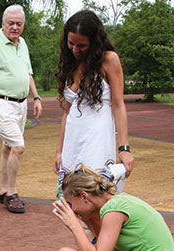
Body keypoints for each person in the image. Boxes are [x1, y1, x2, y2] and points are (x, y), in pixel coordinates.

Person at [55, 10, 133, 201]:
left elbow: (118, 105)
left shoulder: (108, 60)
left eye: (81, 45)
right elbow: (67, 112)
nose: (75, 49)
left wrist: (124, 148)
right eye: (71, 43)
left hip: (97, 139)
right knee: (71, 203)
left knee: (95, 199)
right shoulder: (70, 63)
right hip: (72, 142)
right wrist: (59, 151)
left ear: (94, 41)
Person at [0, 4, 42, 214]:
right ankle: (11, 193)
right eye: (11, 23)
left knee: (8, 146)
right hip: (0, 103)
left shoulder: (22, 44)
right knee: (18, 146)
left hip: (20, 104)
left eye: (19, 24)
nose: (15, 27)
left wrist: (36, 97)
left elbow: (28, 73)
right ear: (3, 24)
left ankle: (2, 189)